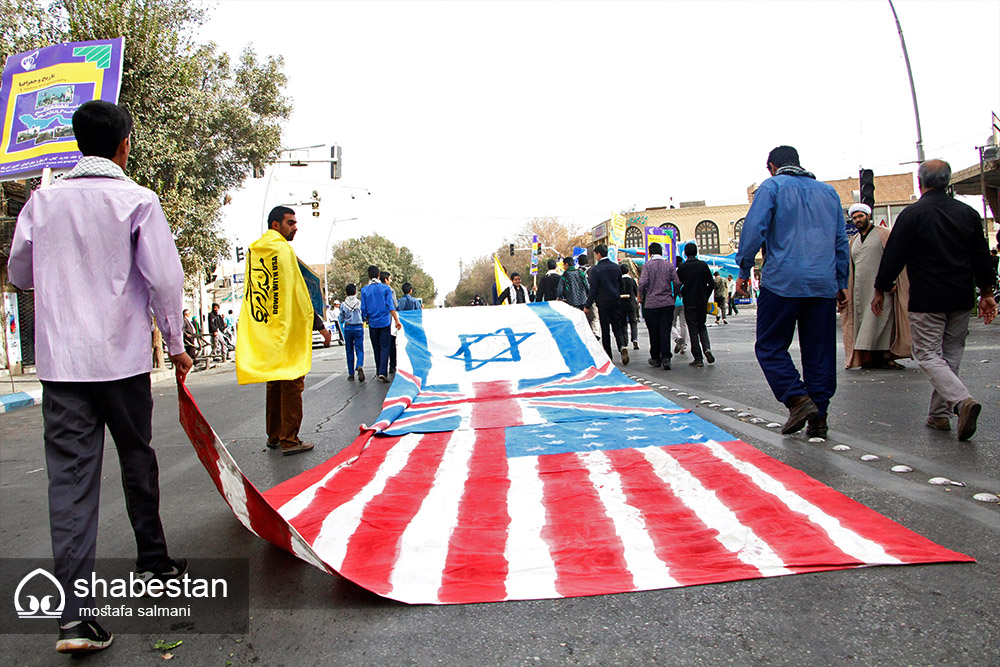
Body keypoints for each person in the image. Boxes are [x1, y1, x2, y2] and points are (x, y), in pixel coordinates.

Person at [7, 100, 193, 654]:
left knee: (69, 482)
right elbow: (164, 282)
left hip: (63, 367)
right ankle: (154, 564)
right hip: (124, 363)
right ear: (124, 145)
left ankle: (74, 618)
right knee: (138, 459)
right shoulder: (138, 200)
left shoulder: (41, 202)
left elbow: (20, 271)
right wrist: (179, 347)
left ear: (76, 141)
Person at [872, 159, 997, 440]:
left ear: (921, 183)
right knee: (950, 355)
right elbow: (981, 257)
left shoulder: (912, 215)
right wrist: (987, 293)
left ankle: (961, 400)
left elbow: (894, 256)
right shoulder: (968, 214)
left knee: (927, 354)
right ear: (948, 182)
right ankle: (939, 414)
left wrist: (880, 288)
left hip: (928, 297)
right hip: (962, 297)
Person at [735, 145, 849, 438]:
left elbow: (753, 231)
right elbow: (840, 240)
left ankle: (797, 398)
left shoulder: (771, 187)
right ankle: (819, 416)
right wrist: (841, 281)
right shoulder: (829, 193)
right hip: (822, 284)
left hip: (782, 282)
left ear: (771, 166)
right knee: (819, 350)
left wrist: (745, 269)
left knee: (770, 345)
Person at [236, 205, 317, 456]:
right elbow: (297, 292)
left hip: (266, 330)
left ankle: (274, 436)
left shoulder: (256, 250)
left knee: (274, 383)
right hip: (286, 330)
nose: (295, 227)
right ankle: (290, 440)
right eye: (290, 222)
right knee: (293, 383)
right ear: (275, 225)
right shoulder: (283, 250)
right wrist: (316, 321)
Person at [840, 203, 911, 370]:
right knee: (864, 322)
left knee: (884, 320)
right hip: (860, 291)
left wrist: (892, 282)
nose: (858, 220)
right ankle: (869, 357)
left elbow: (896, 258)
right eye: (855, 218)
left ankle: (886, 356)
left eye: (861, 216)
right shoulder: (854, 241)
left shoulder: (884, 234)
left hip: (883, 287)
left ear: (868, 216)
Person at [637, 242, 681, 370]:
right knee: (665, 330)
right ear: (661, 252)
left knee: (654, 331)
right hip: (667, 303)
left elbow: (643, 282)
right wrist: (674, 295)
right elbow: (677, 282)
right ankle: (666, 357)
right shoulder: (669, 265)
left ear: (649, 253)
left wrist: (641, 294)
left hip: (651, 304)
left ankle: (655, 357)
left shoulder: (647, 265)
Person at [585, 244, 630, 364]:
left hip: (602, 302)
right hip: (615, 300)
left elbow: (593, 289)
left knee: (605, 329)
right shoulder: (616, 267)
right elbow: (622, 285)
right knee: (617, 325)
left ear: (598, 254)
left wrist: (587, 305)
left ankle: (608, 355)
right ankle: (622, 347)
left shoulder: (596, 270)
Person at [676, 242, 716, 367]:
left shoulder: (683, 268)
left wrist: (682, 293)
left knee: (692, 329)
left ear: (685, 253)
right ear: (696, 252)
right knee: (702, 326)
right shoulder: (703, 265)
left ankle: (698, 357)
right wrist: (705, 295)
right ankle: (707, 349)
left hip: (689, 302)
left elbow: (678, 284)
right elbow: (711, 284)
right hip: (701, 301)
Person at [361, 264, 401, 383]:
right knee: (385, 347)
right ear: (379, 275)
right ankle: (383, 372)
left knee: (376, 347)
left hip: (372, 323)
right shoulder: (386, 289)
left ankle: (379, 370)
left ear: (368, 276)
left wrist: (366, 318)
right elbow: (390, 305)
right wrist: (396, 320)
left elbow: (363, 308)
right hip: (385, 322)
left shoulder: (364, 290)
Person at [338, 284, 365, 381]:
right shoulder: (360, 303)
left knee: (349, 350)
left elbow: (341, 319)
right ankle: (359, 365)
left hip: (348, 328)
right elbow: (364, 315)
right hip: (358, 327)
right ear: (355, 292)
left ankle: (351, 373)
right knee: (359, 349)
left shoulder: (343, 305)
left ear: (346, 293)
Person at [381, 271, 398, 374]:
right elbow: (394, 305)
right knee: (391, 344)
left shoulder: (373, 290)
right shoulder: (390, 290)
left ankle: (381, 369)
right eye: (390, 279)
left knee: (380, 345)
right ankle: (392, 366)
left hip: (377, 321)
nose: (390, 281)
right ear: (386, 280)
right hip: (389, 320)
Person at [620, 263, 640, 349]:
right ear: (628, 271)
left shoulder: (619, 281)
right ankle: (634, 338)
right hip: (631, 304)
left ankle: (625, 342)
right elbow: (636, 292)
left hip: (621, 305)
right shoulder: (632, 281)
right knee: (633, 322)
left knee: (623, 323)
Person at [672, 255, 688, 355]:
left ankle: (677, 338)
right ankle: (684, 346)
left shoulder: (672, 273)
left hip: (674, 301)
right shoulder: (685, 272)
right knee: (683, 324)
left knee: (671, 323)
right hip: (684, 300)